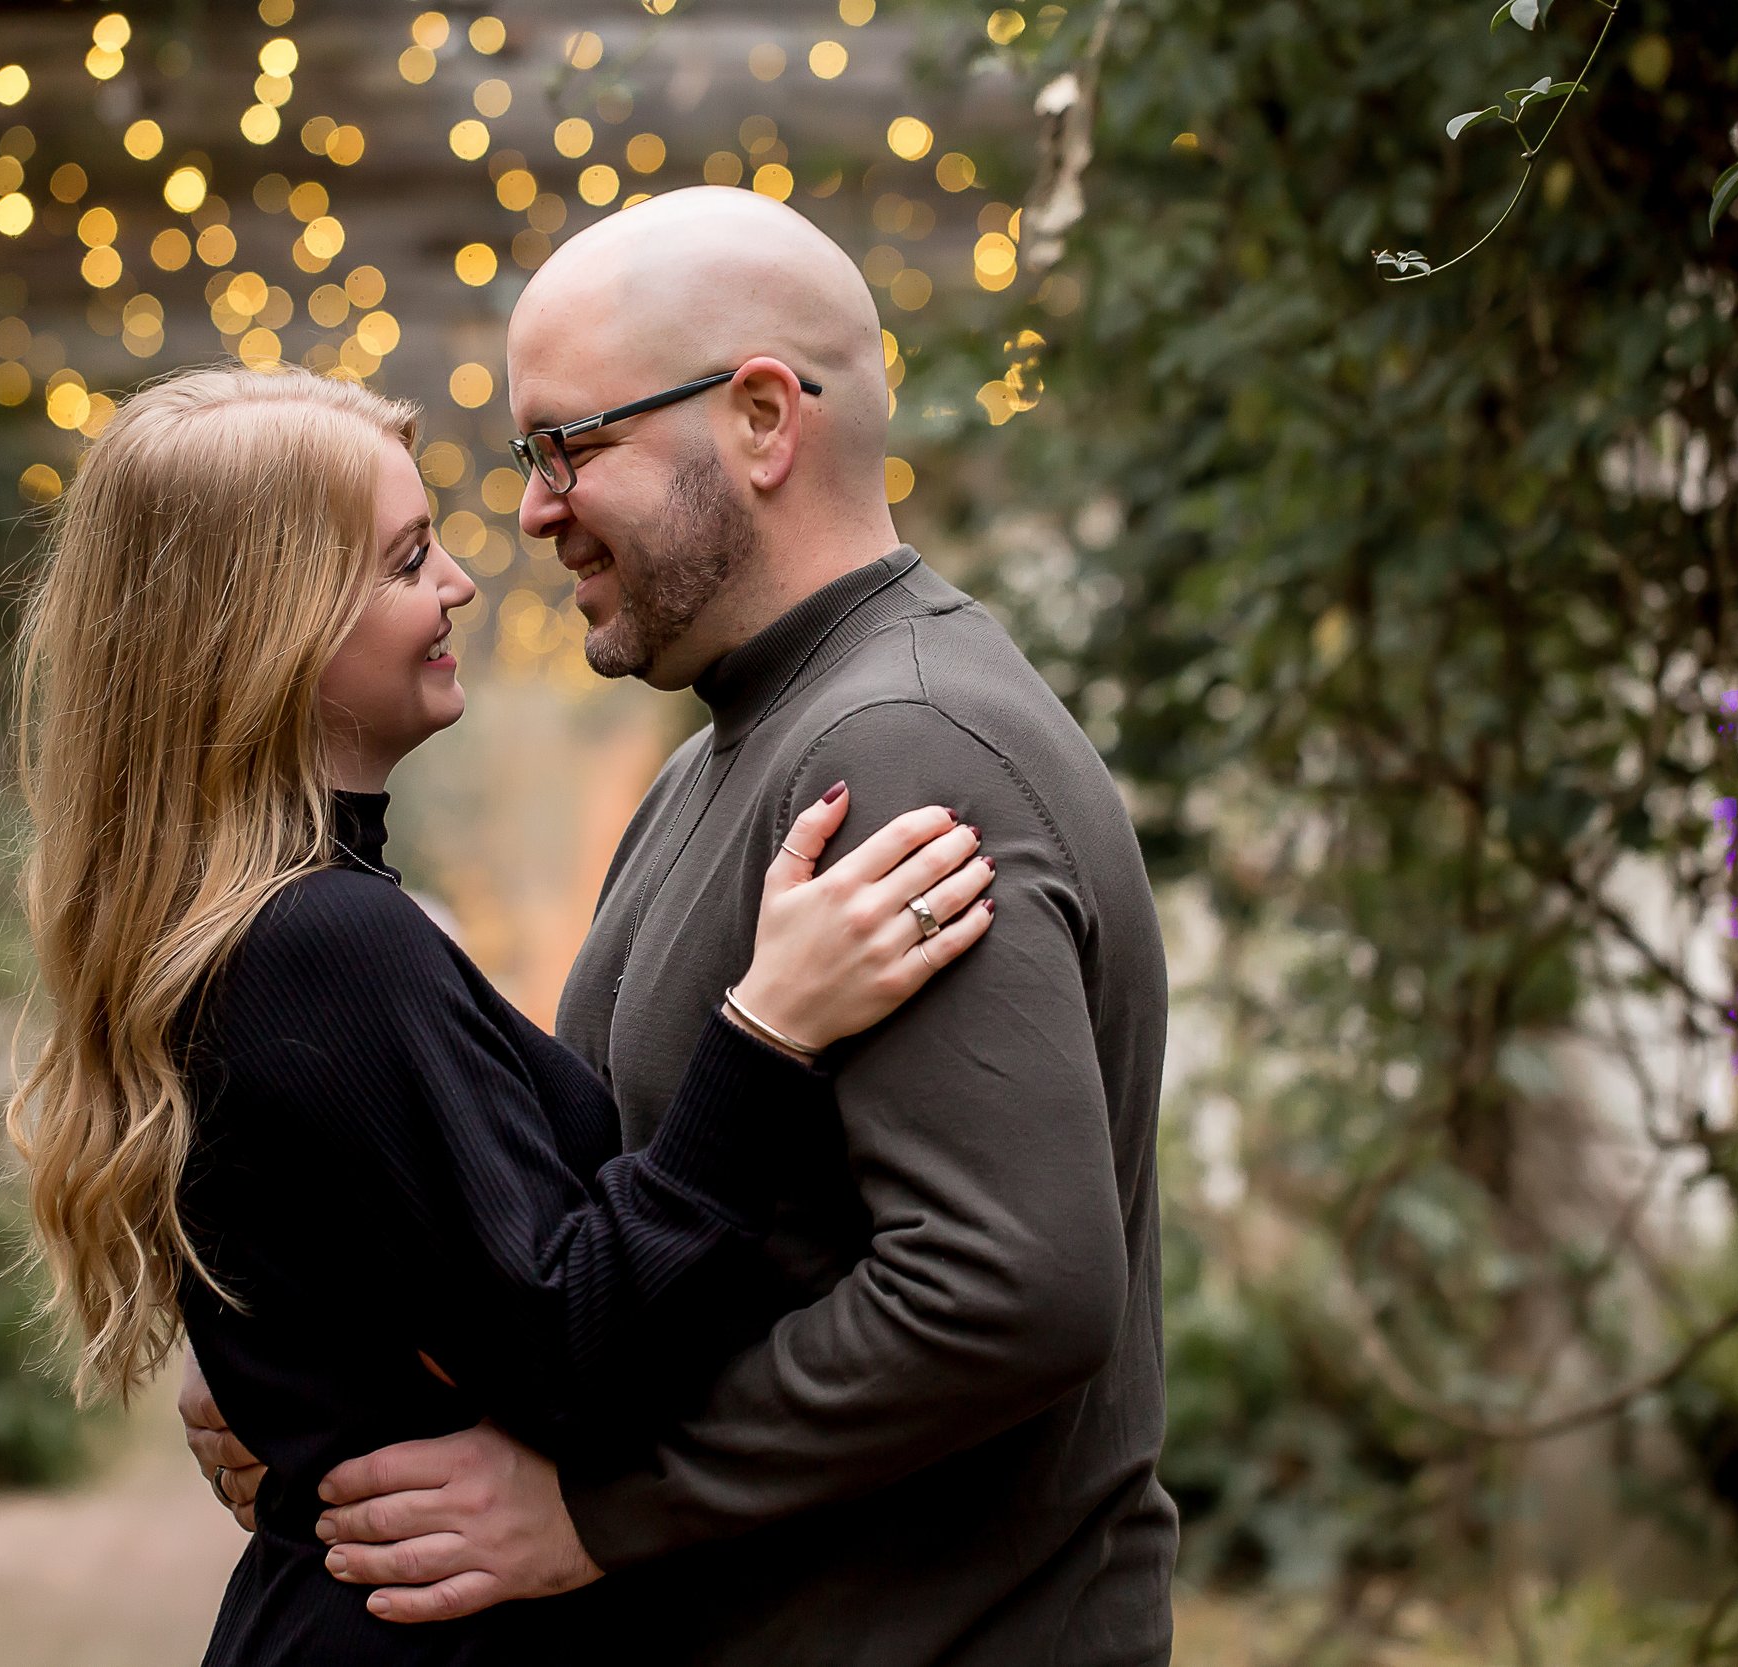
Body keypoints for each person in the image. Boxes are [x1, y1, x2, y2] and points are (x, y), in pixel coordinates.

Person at [188, 186, 1179, 1666]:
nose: (529, 511)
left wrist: (597, 1510)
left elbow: (1005, 1291)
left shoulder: (905, 749)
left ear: (765, 420)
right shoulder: (718, 764)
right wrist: (333, 1367)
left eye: (572, 446)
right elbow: (596, 1225)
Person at [6, 365, 1000, 1667]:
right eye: (407, 559)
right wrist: (769, 1032)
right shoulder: (329, 941)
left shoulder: (284, 920)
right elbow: (576, 1347)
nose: (461, 586)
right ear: (269, 626)